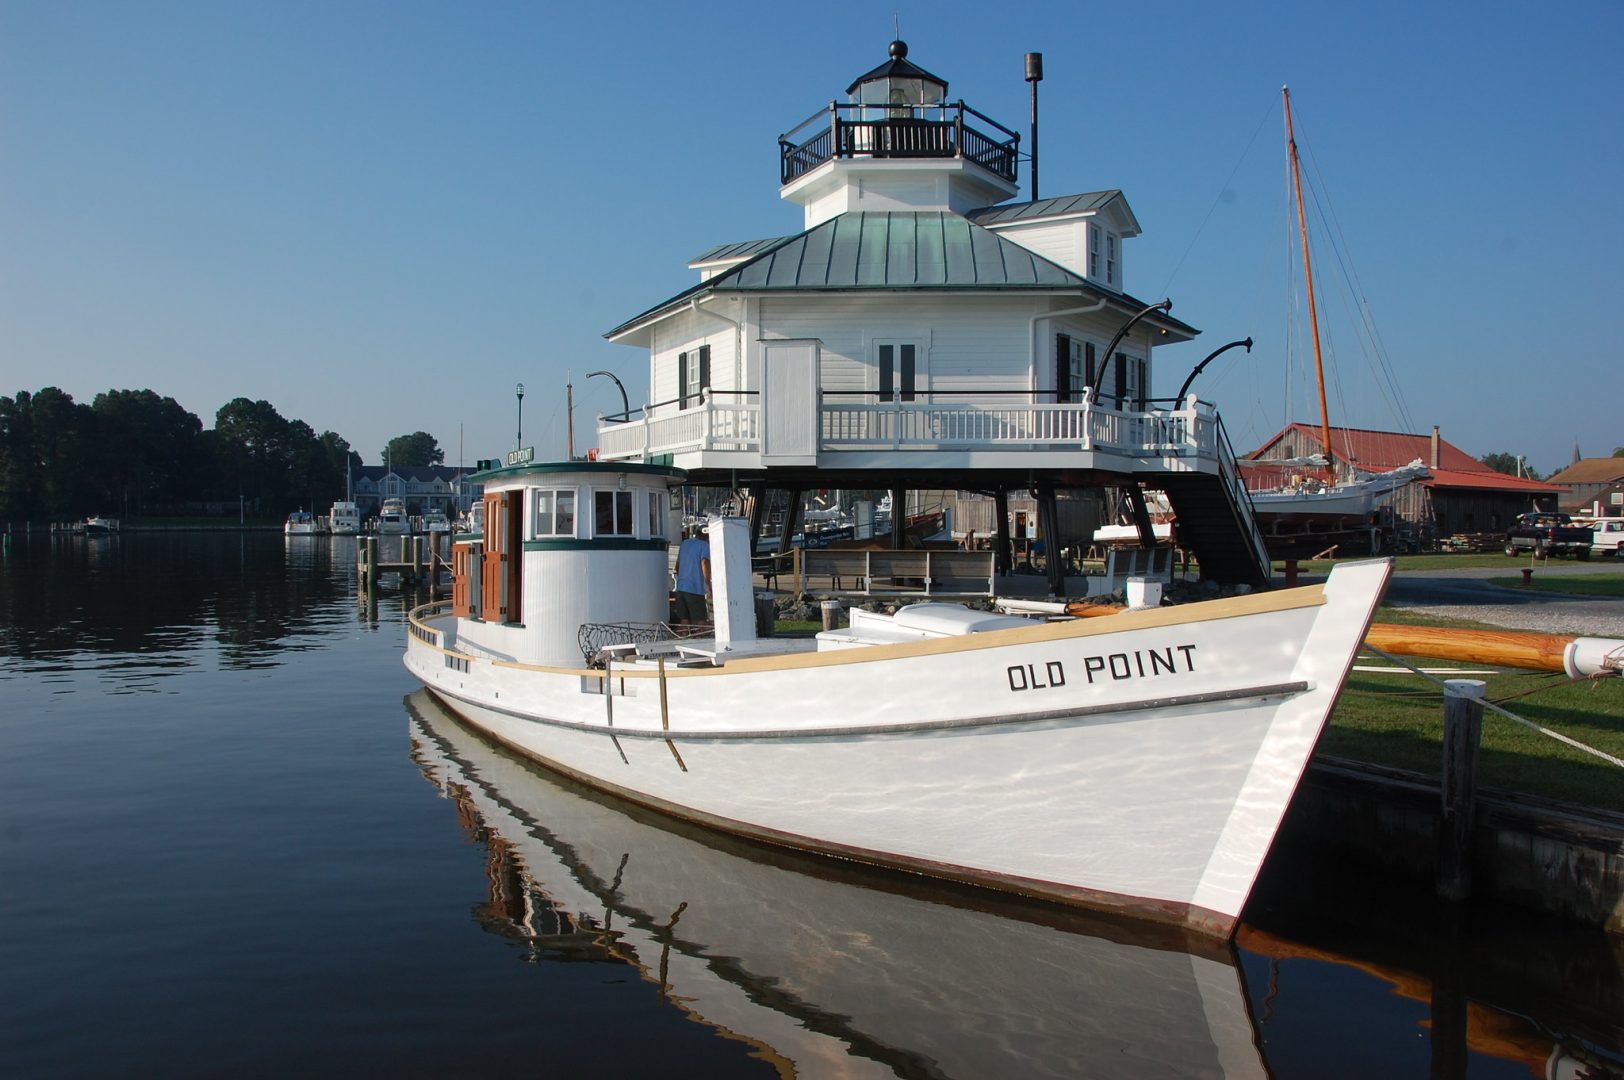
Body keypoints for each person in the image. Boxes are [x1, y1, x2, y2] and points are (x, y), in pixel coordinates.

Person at [673, 524, 711, 628]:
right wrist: (708, 584)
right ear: (708, 536)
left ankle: (682, 640)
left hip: (681, 587)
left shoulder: (685, 543)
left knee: (684, 620)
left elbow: (677, 567)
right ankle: (701, 642)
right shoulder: (704, 546)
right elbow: (704, 563)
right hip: (695, 589)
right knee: (700, 621)